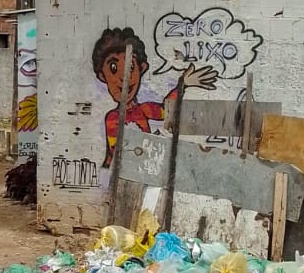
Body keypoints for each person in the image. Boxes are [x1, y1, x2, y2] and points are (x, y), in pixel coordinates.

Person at [91, 26, 217, 168]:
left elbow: (166, 110)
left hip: (143, 172)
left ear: (142, 68)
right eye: (113, 68)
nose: (123, 77)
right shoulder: (113, 118)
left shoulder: (144, 110)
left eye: (130, 67)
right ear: (103, 76)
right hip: (122, 176)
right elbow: (119, 153)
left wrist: (183, 85)